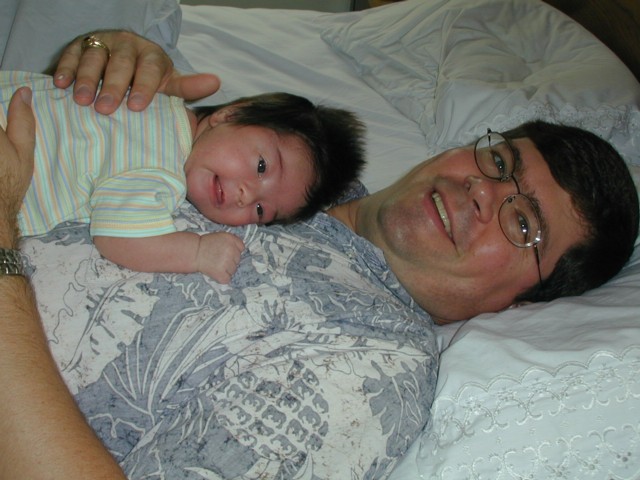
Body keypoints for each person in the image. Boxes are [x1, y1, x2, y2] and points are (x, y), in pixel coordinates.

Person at [1, 30, 638, 478]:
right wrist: (100, 60)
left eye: (523, 223)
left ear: (515, 305)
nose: (483, 191)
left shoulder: (371, 368)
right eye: (499, 161)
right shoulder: (302, 168)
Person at [1, 69, 366, 283]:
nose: (245, 194)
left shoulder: (154, 99)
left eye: (259, 210)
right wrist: (196, 251)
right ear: (229, 114)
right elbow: (120, 238)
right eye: (261, 167)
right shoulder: (160, 161)